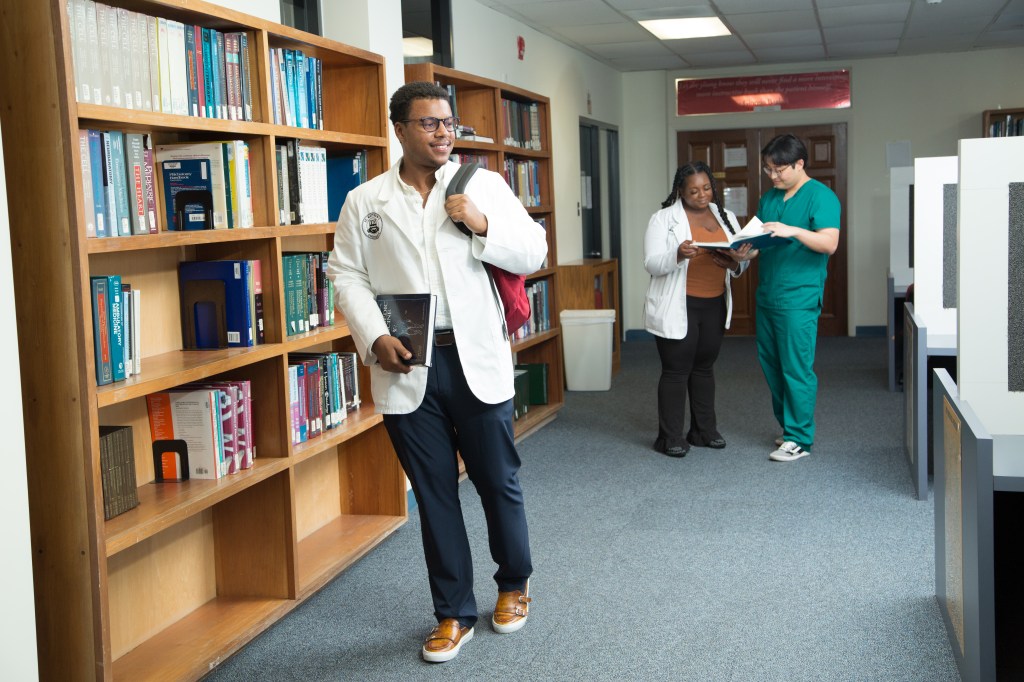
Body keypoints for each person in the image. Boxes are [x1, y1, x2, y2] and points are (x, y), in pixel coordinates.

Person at [326, 81, 547, 662]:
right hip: (406, 360)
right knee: (433, 493)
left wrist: (481, 225)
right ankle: (453, 612)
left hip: (473, 355)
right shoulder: (365, 200)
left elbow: (533, 252)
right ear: (399, 129)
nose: (443, 131)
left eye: (448, 122)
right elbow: (345, 274)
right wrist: (373, 337)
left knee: (497, 479)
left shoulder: (484, 187)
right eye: (428, 123)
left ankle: (514, 583)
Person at [739, 133, 841, 462]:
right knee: (772, 365)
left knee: (796, 367)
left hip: (799, 296)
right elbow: (759, 243)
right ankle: (788, 428)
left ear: (800, 164)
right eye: (768, 170)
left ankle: (800, 438)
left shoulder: (821, 197)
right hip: (768, 294)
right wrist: (745, 253)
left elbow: (829, 244)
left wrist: (793, 230)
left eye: (779, 170)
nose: (773, 176)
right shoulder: (770, 199)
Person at [643, 161, 749, 458]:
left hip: (714, 302)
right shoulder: (663, 219)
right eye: (694, 191)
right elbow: (651, 263)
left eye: (706, 188)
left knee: (704, 368)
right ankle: (670, 436)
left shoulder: (725, 216)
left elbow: (740, 259)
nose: (702, 195)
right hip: (679, 303)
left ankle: (704, 430)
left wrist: (737, 260)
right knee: (676, 370)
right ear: (680, 191)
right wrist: (678, 254)